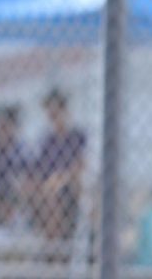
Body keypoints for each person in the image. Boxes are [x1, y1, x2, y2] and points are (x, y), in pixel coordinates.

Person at [29, 87, 86, 243]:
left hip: (70, 184)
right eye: (50, 113)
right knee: (49, 194)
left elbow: (80, 165)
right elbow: (38, 169)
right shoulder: (46, 140)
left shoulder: (76, 136)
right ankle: (52, 243)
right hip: (50, 187)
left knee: (54, 191)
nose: (52, 117)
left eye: (56, 112)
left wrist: (60, 179)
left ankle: (57, 245)